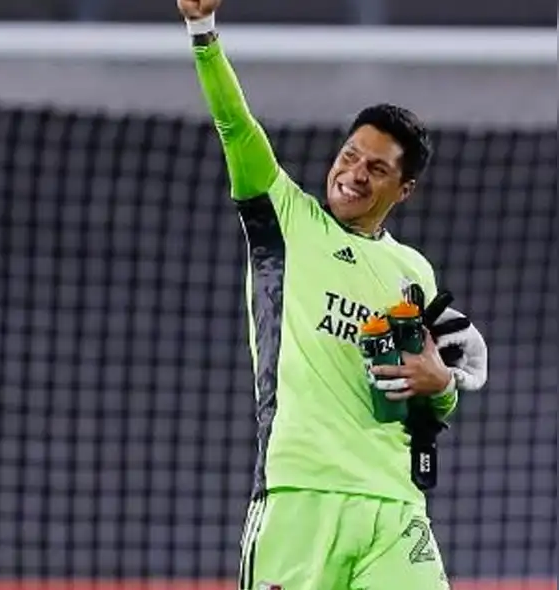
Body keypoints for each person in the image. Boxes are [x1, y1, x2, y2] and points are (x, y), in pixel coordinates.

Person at [175, 1, 489, 589]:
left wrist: (441, 385)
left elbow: (430, 401)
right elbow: (234, 125)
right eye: (349, 155)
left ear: (405, 188)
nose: (354, 173)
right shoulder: (285, 221)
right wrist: (203, 34)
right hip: (300, 499)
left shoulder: (412, 273)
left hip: (394, 507)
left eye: (376, 167)